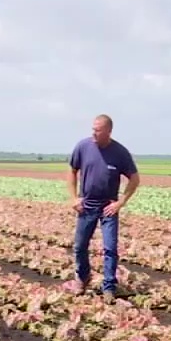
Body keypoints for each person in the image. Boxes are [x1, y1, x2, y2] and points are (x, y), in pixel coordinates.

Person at [65, 114, 140, 301]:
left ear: (108, 131)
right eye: (93, 129)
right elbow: (72, 171)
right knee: (80, 246)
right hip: (87, 204)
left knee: (110, 248)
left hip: (108, 207)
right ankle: (82, 278)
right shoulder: (83, 147)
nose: (93, 133)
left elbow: (135, 179)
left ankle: (109, 287)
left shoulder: (120, 152)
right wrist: (74, 198)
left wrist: (120, 202)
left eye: (97, 130)